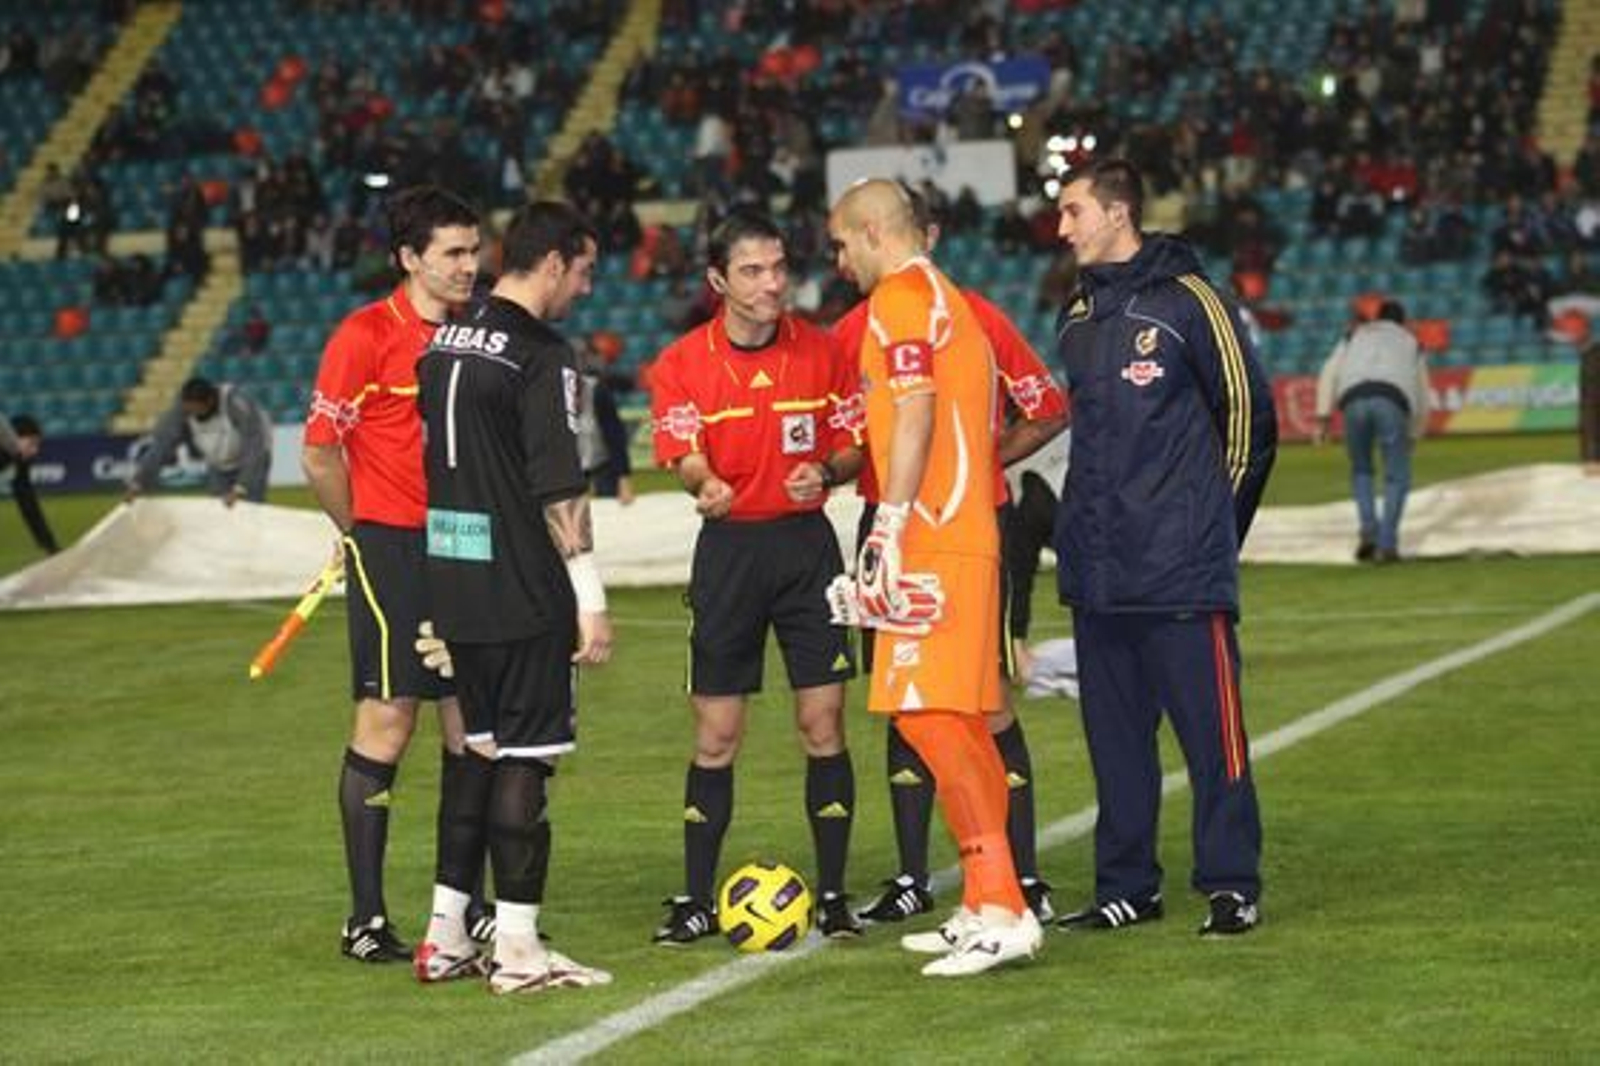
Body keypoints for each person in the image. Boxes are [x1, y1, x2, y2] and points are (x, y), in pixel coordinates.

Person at [1052, 157, 1277, 937]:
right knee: (1115, 746)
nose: (1063, 227)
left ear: (1118, 212)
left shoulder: (1192, 303)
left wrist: (1214, 531)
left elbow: (1250, 419)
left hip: (1180, 569)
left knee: (1214, 741)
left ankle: (1230, 882)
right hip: (1099, 573)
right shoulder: (1076, 317)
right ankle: (1126, 885)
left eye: (1074, 211)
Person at [832, 189, 1068, 928]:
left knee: (931, 719)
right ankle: (988, 900)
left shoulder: (903, 298)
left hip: (934, 534)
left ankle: (999, 905)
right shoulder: (943, 298)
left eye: (843, 243)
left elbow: (917, 410)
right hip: (957, 527)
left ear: (874, 232)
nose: (839, 261)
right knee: (957, 720)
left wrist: (888, 525)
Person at [647, 210, 865, 945]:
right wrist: (704, 484)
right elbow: (684, 451)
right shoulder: (681, 363)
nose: (774, 283)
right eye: (753, 271)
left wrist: (828, 470)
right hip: (730, 554)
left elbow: (854, 443)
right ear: (718, 281)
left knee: (823, 723)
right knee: (717, 735)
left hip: (808, 552)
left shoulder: (826, 351)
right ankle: (694, 899)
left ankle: (833, 896)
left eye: (778, 267)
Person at [413, 200, 614, 994]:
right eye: (586, 269)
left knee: (478, 755)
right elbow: (559, 482)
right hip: (522, 588)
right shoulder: (542, 353)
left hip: (454, 581)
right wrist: (589, 596)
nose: (587, 288)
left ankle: (445, 935)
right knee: (528, 760)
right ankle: (520, 950)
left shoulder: (443, 340)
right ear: (556, 261)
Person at [301, 185, 485, 964]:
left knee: (472, 725)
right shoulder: (364, 335)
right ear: (409, 258)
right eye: (452, 253)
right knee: (390, 720)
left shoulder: (482, 334)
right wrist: (362, 535)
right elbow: (318, 452)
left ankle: (462, 908)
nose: (468, 267)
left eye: (475, 251)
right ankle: (366, 918)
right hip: (395, 544)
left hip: (470, 541)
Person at [1313, 300, 1430, 563]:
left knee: (1362, 470)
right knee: (1396, 475)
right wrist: (1414, 433)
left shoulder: (1354, 334)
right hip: (1391, 399)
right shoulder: (1411, 342)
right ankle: (1387, 543)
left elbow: (1329, 371)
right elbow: (1423, 396)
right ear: (1403, 321)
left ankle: (1368, 532)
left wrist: (1323, 416)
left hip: (1353, 399)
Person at [125, 377, 273, 507]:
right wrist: (138, 482)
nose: (192, 414)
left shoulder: (235, 403)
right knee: (219, 512)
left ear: (210, 400)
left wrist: (241, 487)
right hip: (217, 463)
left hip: (252, 458)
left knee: (249, 510)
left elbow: (254, 444)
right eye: (189, 410)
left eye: (196, 410)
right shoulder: (182, 408)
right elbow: (161, 446)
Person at [1, 413, 60, 555]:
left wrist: (50, 546)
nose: (35, 451)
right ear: (17, 438)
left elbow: (28, 504)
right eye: (32, 443)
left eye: (37, 445)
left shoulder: (20, 458)